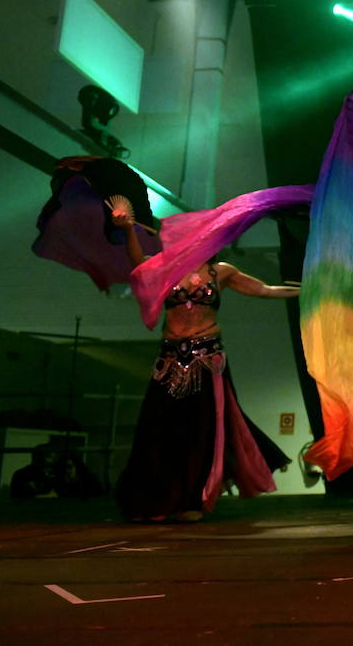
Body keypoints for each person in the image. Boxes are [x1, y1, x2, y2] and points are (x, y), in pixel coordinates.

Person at [111, 208, 299, 521]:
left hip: (207, 360)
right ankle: (155, 499)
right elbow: (137, 264)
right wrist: (129, 230)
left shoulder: (220, 271)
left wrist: (305, 291)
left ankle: (193, 501)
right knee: (158, 430)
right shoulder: (164, 269)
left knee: (202, 431)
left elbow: (264, 290)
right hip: (169, 360)